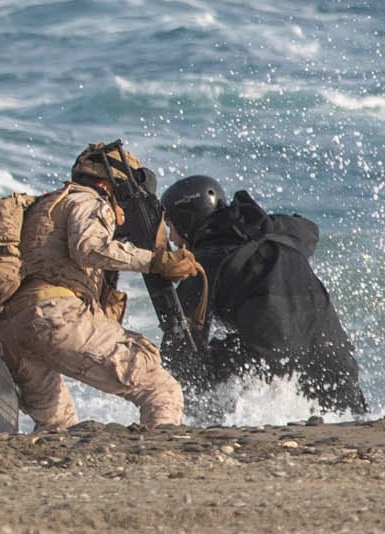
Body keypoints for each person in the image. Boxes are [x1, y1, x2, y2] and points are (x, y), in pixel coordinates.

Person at [0, 139, 195, 434]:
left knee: (58, 425)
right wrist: (155, 261)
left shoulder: (47, 205)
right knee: (161, 388)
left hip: (13, 329)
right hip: (55, 318)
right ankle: (161, 463)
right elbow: (89, 248)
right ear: (109, 185)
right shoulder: (90, 201)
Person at [144, 175, 369, 415]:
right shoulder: (276, 231)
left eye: (171, 226)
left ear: (188, 220)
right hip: (335, 357)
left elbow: (183, 342)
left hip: (273, 363)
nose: (171, 239)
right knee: (352, 419)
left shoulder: (204, 264)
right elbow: (309, 230)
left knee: (194, 367)